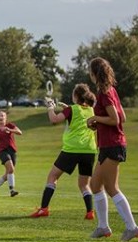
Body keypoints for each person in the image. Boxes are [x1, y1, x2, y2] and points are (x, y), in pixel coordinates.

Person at [87, 57, 138, 241]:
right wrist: (99, 123)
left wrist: (95, 119)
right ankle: (103, 227)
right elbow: (122, 117)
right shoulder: (111, 91)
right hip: (106, 144)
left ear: (95, 73)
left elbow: (116, 120)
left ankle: (132, 227)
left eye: (90, 71)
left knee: (111, 187)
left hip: (113, 144)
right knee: (95, 185)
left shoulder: (104, 93)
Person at [30, 84, 97, 219]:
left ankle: (44, 209)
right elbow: (85, 121)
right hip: (89, 150)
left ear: (76, 96)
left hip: (72, 149)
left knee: (52, 177)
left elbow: (54, 120)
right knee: (84, 184)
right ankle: (90, 212)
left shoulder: (72, 109)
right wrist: (67, 109)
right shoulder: (91, 110)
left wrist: (50, 107)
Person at [0, 111, 22, 197]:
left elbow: (20, 132)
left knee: (8, 173)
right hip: (2, 151)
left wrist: (9, 130)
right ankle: (12, 190)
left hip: (12, 151)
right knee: (11, 169)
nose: (0, 117)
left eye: (2, 115)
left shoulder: (10, 125)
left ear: (5, 117)